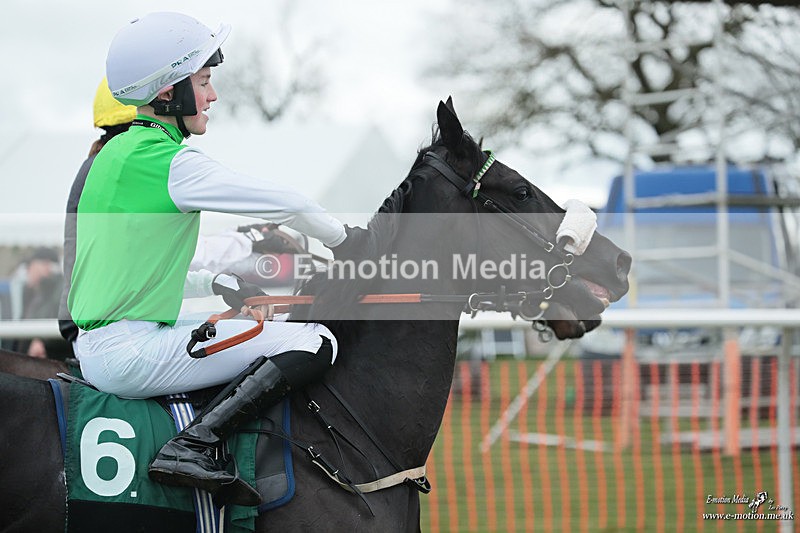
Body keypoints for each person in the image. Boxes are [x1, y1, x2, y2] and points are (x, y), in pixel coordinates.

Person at [68, 12, 368, 507]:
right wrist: (346, 240)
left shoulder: (115, 156)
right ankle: (193, 444)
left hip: (107, 341)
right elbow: (288, 203)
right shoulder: (167, 160)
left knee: (260, 317)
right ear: (168, 93)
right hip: (128, 350)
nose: (212, 96)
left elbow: (129, 274)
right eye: (204, 82)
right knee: (314, 341)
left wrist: (214, 283)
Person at [59, 79, 303, 345]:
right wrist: (248, 242)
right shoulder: (134, 168)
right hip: (113, 333)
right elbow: (174, 258)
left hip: (98, 326)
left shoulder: (106, 164)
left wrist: (243, 237)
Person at [1, 248, 70, 359]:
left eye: (30, 267)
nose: (28, 272)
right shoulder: (38, 294)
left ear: (46, 265)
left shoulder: (56, 291)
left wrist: (41, 341)